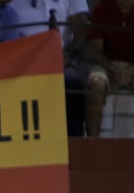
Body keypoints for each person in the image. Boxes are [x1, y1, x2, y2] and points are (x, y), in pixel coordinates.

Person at [11, 0, 88, 136]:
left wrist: (69, 55)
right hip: (21, 59)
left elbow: (81, 24)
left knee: (73, 83)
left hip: (59, 58)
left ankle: (73, 143)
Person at [84, 0, 134, 137]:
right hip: (107, 65)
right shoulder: (102, 8)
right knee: (95, 83)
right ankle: (93, 143)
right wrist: (113, 68)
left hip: (132, 67)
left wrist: (130, 70)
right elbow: (96, 51)